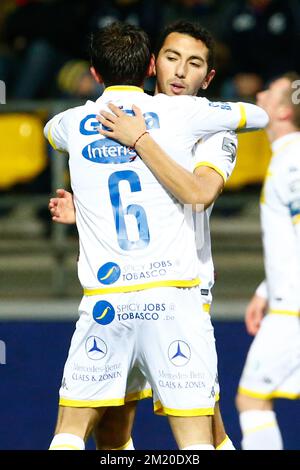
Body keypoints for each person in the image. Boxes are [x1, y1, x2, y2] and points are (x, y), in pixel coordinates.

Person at [45, 21, 268, 451]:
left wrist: (141, 139)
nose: (181, 71)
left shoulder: (212, 130)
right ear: (153, 64)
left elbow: (199, 194)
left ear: (208, 78)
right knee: (113, 431)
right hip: (136, 289)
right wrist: (89, 212)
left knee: (211, 431)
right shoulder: (151, 116)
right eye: (172, 58)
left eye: (194, 63)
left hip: (186, 289)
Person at [235, 73, 300, 450]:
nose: (257, 93)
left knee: (252, 399)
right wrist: (265, 289)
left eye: (269, 91)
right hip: (285, 301)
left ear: (281, 111)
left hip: (293, 311)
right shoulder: (287, 158)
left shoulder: (292, 163)